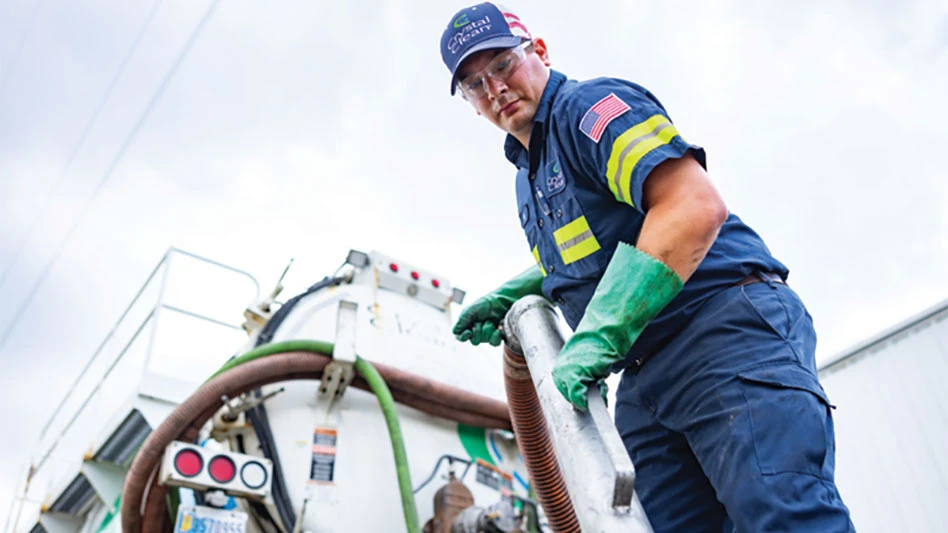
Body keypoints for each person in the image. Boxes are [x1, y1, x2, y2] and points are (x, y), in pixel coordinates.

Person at [440, 3, 855, 532]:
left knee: (781, 516)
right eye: (474, 83)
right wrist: (518, 291)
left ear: (539, 52)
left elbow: (691, 206)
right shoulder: (529, 177)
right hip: (645, 376)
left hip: (720, 330)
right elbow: (590, 251)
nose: (493, 88)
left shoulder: (587, 110)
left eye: (502, 64)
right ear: (470, 104)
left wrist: (600, 332)